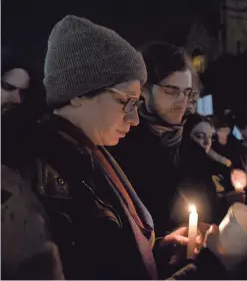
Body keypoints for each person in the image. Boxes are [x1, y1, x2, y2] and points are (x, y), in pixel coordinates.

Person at [1, 15, 225, 280]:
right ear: (78, 93)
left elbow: (104, 257)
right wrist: (206, 270)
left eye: (136, 104)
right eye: (126, 103)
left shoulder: (88, 153)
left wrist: (153, 252)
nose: (135, 118)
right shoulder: (30, 178)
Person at [108, 41, 198, 237]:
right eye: (171, 90)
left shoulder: (191, 145)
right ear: (144, 89)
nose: (182, 101)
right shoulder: (120, 144)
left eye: (187, 92)